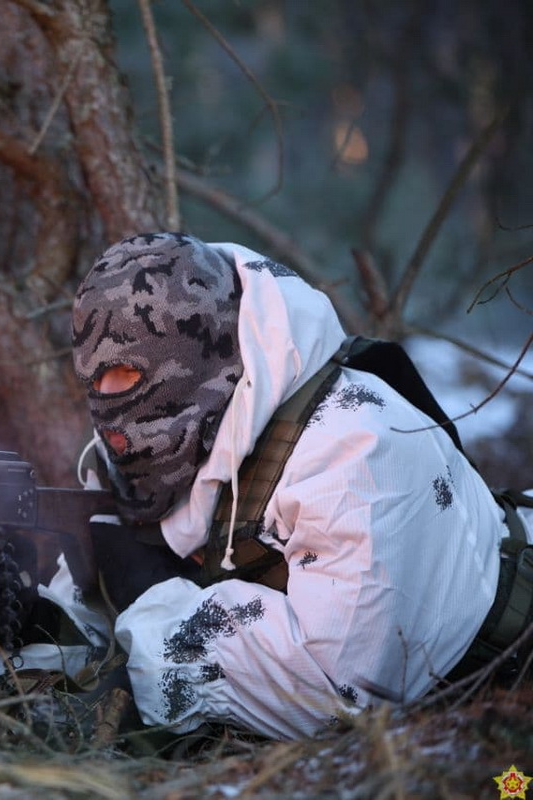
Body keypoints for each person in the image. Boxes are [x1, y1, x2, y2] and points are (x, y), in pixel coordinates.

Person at [37, 231, 533, 740]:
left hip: (506, 682)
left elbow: (337, 694)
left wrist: (156, 603)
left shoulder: (356, 451)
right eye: (94, 377)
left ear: (199, 353)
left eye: (126, 371)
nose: (107, 399)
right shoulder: (180, 432)